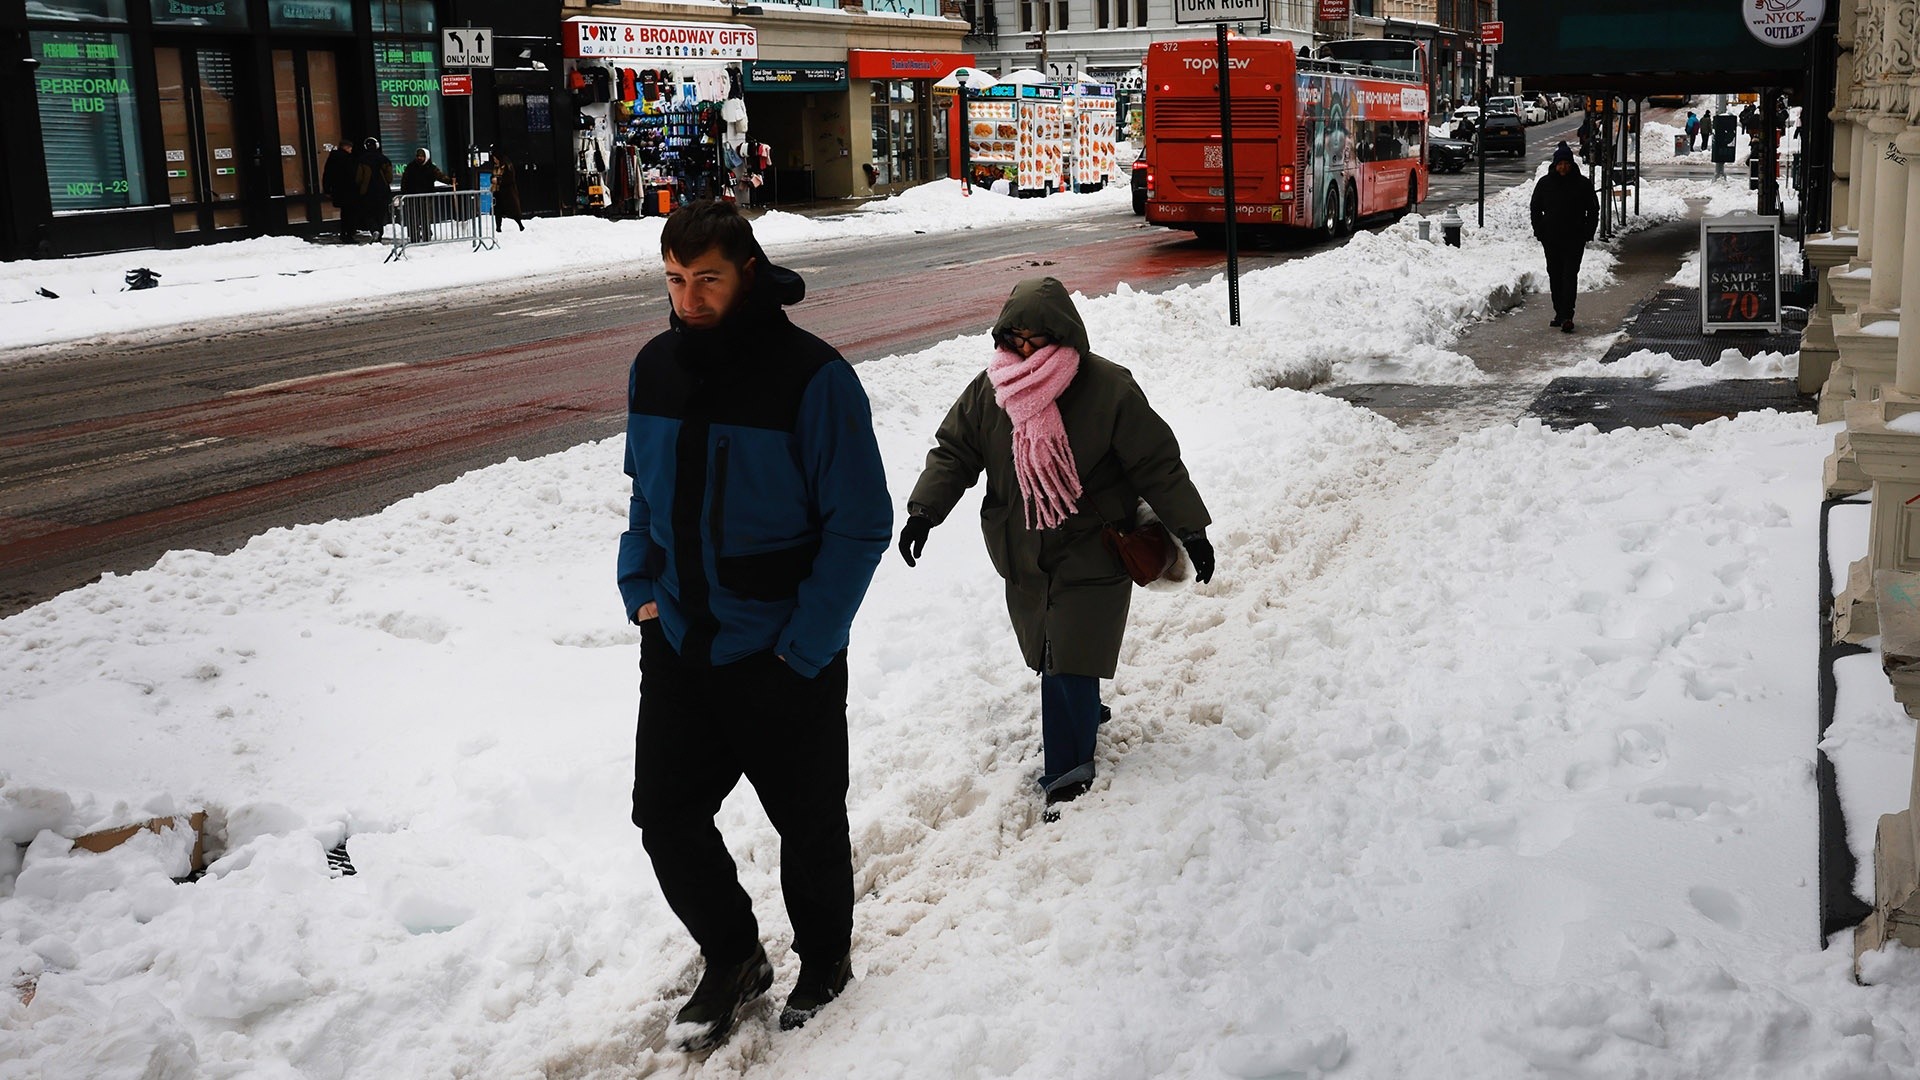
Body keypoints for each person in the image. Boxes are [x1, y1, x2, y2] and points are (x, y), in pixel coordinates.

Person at [617, 200, 890, 1053]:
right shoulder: (653, 369)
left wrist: (805, 647)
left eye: (706, 280)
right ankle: (734, 956)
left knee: (807, 822)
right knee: (663, 815)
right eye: (674, 280)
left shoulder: (814, 379)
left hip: (781, 649)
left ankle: (825, 960)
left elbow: (860, 523)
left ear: (748, 276)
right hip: (681, 643)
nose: (688, 298)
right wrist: (638, 583)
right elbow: (642, 495)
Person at [897, 277, 1213, 818]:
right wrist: (924, 512)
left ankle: (1069, 772)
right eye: (1014, 338)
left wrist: (1192, 528)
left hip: (1092, 547)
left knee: (1068, 651)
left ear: (1064, 336)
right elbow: (954, 452)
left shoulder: (1108, 388)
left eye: (1035, 339)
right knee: (1054, 651)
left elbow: (1155, 462)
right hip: (1022, 547)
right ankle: (1083, 710)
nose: (1023, 350)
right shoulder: (991, 389)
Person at [1531, 142, 1600, 334]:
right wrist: (1539, 231)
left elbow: (1593, 210)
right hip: (1551, 239)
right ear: (1555, 164)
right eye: (1560, 163)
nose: (1563, 167)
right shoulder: (1545, 184)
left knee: (1569, 276)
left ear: (1571, 164)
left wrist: (1588, 232)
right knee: (1555, 275)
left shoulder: (1582, 184)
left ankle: (1567, 314)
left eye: (1566, 163)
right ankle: (1559, 313)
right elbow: (1535, 208)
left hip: (1574, 239)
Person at [399, 148, 451, 243]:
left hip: (426, 197)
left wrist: (450, 180)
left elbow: (440, 176)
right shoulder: (411, 167)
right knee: (413, 218)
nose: (419, 158)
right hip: (412, 197)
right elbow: (404, 181)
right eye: (418, 156)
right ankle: (414, 237)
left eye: (422, 156)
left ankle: (427, 237)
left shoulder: (431, 168)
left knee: (425, 218)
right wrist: (404, 193)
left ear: (426, 157)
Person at [352, 137, 394, 243]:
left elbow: (358, 178)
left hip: (367, 192)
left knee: (369, 214)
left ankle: (374, 230)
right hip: (382, 191)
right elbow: (389, 178)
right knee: (380, 213)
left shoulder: (362, 160)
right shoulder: (384, 159)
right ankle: (379, 233)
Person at [322, 137, 357, 242]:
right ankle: (348, 234)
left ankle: (345, 233)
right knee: (350, 213)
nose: (351, 150)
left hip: (338, 190)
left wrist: (327, 189)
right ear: (346, 147)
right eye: (350, 148)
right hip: (349, 190)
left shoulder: (333, 158)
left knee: (345, 212)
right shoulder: (347, 159)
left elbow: (327, 174)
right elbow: (352, 174)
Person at [490, 147, 526, 232]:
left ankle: (520, 225)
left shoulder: (507, 166)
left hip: (507, 192)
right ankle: (498, 227)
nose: (494, 160)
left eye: (495, 158)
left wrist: (498, 180)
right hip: (498, 191)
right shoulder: (496, 166)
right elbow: (492, 176)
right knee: (498, 210)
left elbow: (509, 179)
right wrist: (493, 179)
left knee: (512, 209)